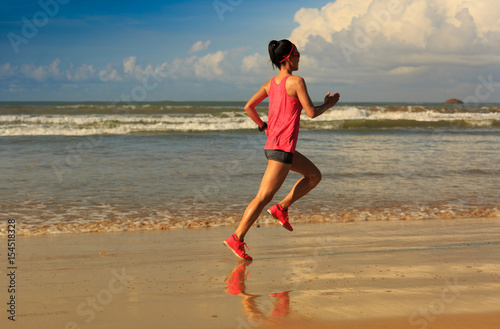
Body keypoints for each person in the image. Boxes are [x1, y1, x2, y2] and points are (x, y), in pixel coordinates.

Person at [223, 39, 340, 261]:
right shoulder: (296, 81)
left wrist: (263, 126)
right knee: (262, 197)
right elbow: (312, 113)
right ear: (287, 58)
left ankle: (282, 207)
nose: (299, 58)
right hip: (282, 150)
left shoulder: (270, 84)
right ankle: (236, 238)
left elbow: (249, 107)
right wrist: (329, 104)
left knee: (314, 176)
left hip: (276, 147)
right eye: (297, 54)